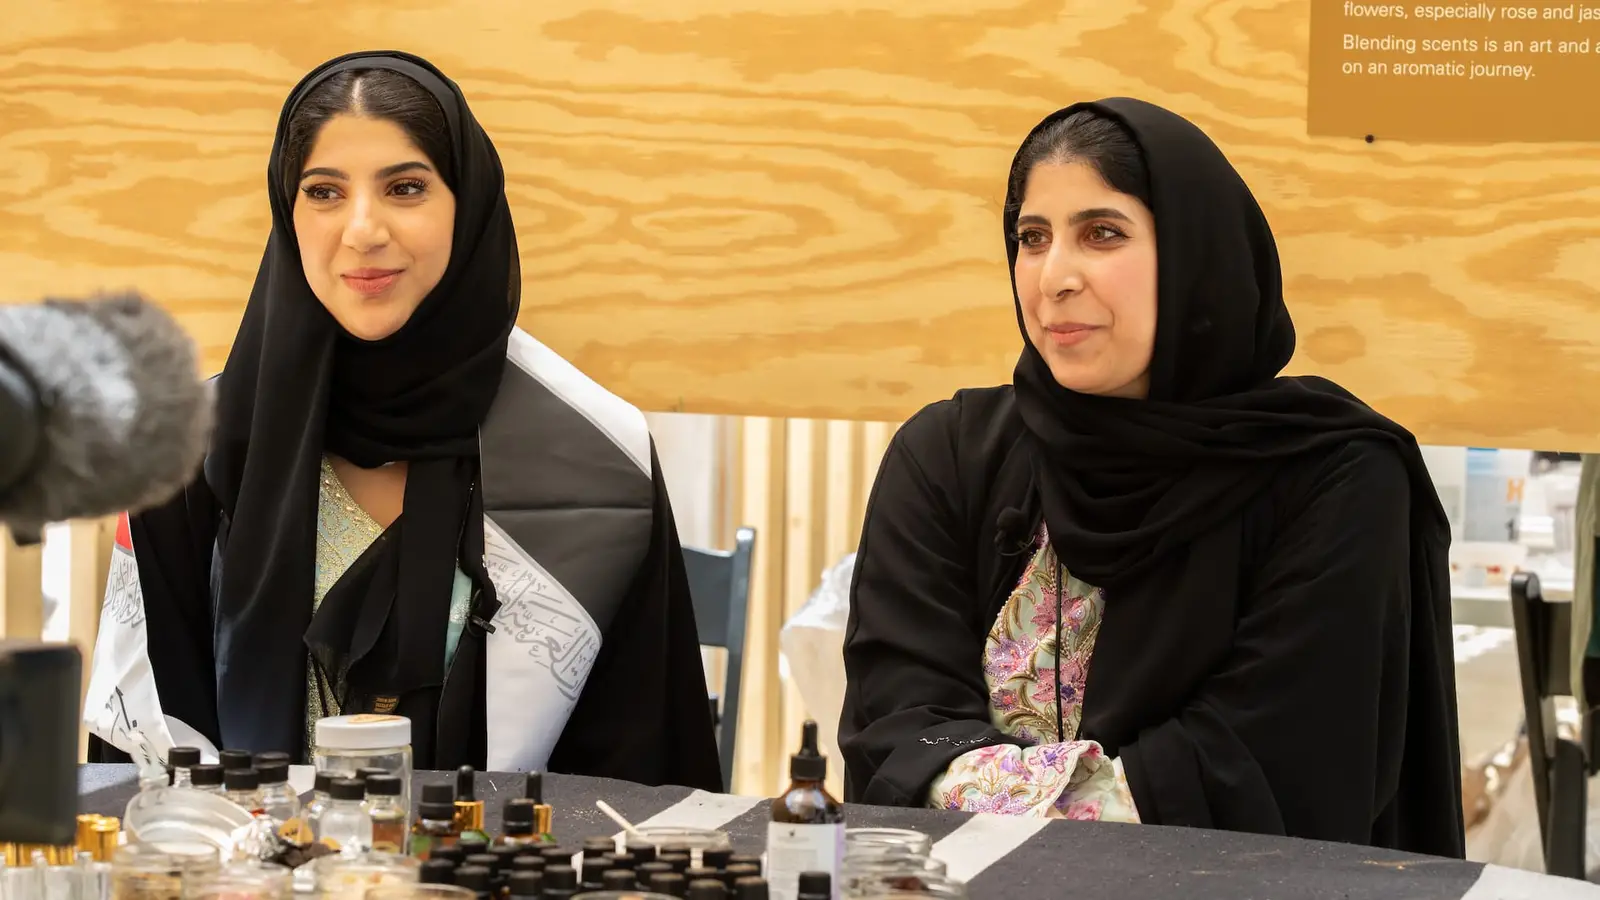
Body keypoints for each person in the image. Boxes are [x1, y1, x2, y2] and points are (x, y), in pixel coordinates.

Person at [838, 98, 1465, 855]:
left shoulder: (1333, 475)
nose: (1054, 277)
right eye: (1031, 238)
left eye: (1101, 233)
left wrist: (992, 799)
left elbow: (1269, 768)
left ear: (1198, 253)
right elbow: (898, 730)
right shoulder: (947, 453)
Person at [83, 50, 723, 791]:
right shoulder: (194, 448)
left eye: (406, 188)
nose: (362, 229)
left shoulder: (594, 455)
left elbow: (642, 767)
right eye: (323, 191)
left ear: (470, 202)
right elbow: (140, 752)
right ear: (286, 216)